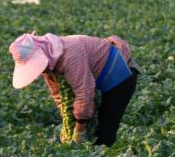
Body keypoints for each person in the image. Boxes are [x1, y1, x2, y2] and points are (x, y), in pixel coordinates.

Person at [9, 32, 139, 147]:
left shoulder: (70, 54)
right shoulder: (49, 63)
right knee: (93, 132)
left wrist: (79, 130)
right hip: (98, 79)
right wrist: (67, 121)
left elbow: (85, 92)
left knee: (103, 135)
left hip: (121, 73)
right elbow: (57, 94)